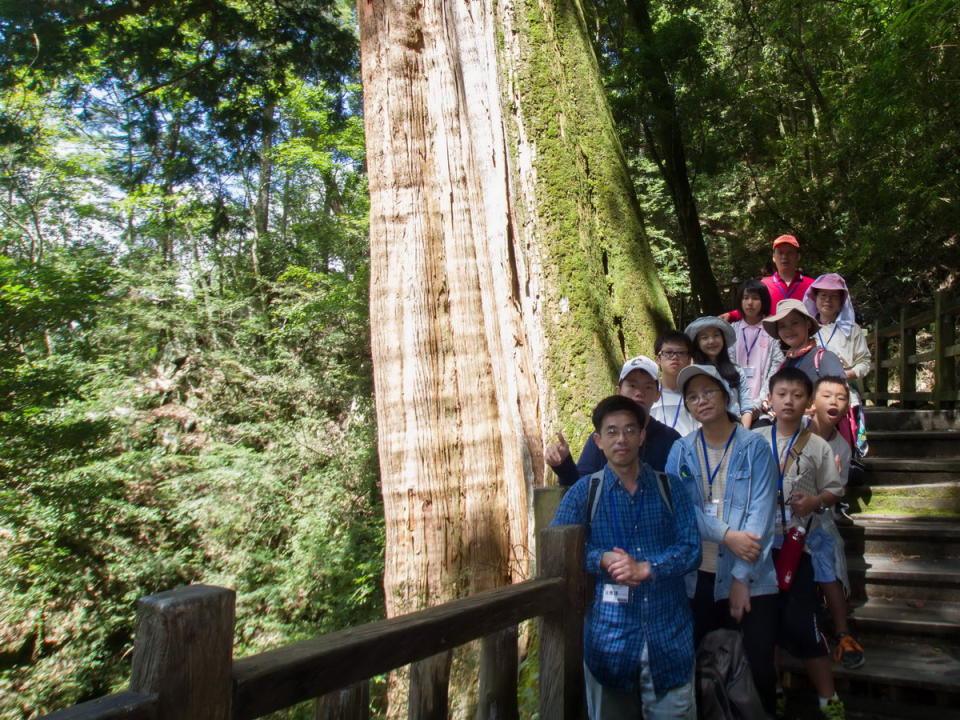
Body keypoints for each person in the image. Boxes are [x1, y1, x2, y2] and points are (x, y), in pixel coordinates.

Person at [552, 395, 701, 719]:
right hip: (609, 641)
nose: (622, 439)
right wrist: (599, 559)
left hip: (668, 637)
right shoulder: (583, 492)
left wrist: (649, 568)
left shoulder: (670, 488)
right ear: (598, 440)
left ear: (642, 435)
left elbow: (692, 548)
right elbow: (556, 550)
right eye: (612, 431)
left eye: (630, 430)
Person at [665, 365, 779, 716]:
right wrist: (727, 535)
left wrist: (742, 579)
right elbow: (680, 510)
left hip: (753, 578)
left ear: (726, 396)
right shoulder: (680, 451)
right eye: (693, 396)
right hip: (697, 578)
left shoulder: (755, 447)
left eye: (708, 392)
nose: (701, 401)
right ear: (686, 405)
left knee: (757, 664)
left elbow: (761, 514)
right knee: (703, 663)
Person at [753, 368, 846, 719]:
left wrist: (815, 502)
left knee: (804, 624)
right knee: (767, 625)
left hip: (798, 546)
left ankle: (829, 699)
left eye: (796, 394)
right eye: (782, 394)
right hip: (760, 548)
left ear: (808, 402)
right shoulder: (754, 440)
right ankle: (773, 691)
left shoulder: (818, 445)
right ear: (771, 400)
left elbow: (835, 489)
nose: (788, 400)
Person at [545, 356, 681, 484]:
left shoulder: (670, 439)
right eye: (632, 386)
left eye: (648, 387)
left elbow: (681, 487)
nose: (639, 393)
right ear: (619, 390)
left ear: (658, 395)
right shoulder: (603, 438)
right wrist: (563, 465)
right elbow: (582, 485)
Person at [808, 375, 864, 670]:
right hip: (782, 516)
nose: (834, 402)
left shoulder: (841, 446)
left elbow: (834, 494)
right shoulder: (795, 430)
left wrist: (822, 490)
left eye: (841, 398)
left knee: (829, 553)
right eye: (827, 395)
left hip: (817, 517)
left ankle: (842, 631)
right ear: (812, 402)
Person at [803, 273, 872, 454]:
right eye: (823, 295)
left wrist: (845, 374)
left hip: (843, 396)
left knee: (842, 446)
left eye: (834, 296)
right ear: (815, 298)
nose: (828, 300)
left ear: (842, 300)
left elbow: (864, 362)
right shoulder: (805, 329)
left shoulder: (852, 330)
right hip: (810, 398)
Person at [722, 234, 816, 324]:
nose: (784, 257)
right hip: (770, 337)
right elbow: (752, 307)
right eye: (780, 253)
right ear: (774, 257)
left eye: (790, 252)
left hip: (804, 337)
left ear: (798, 256)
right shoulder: (763, 284)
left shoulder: (812, 285)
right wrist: (732, 315)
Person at [684, 317, 755, 427]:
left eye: (716, 335)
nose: (711, 341)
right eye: (704, 337)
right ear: (697, 343)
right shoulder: (692, 373)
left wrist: (743, 435)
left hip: (736, 431)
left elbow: (746, 407)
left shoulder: (736, 371)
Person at [729, 279, 784, 414]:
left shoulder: (772, 331)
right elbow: (728, 364)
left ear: (763, 301)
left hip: (763, 404)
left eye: (755, 298)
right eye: (745, 298)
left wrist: (760, 401)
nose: (750, 303)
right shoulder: (732, 331)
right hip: (734, 402)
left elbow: (776, 366)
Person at [762, 299, 846, 384]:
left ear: (808, 324)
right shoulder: (784, 364)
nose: (788, 330)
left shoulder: (825, 358)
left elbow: (838, 393)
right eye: (782, 326)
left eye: (794, 323)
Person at [650, 331, 699, 436]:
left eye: (681, 353)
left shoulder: (697, 395)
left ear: (689, 359)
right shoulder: (648, 394)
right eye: (668, 353)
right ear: (658, 359)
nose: (674, 357)